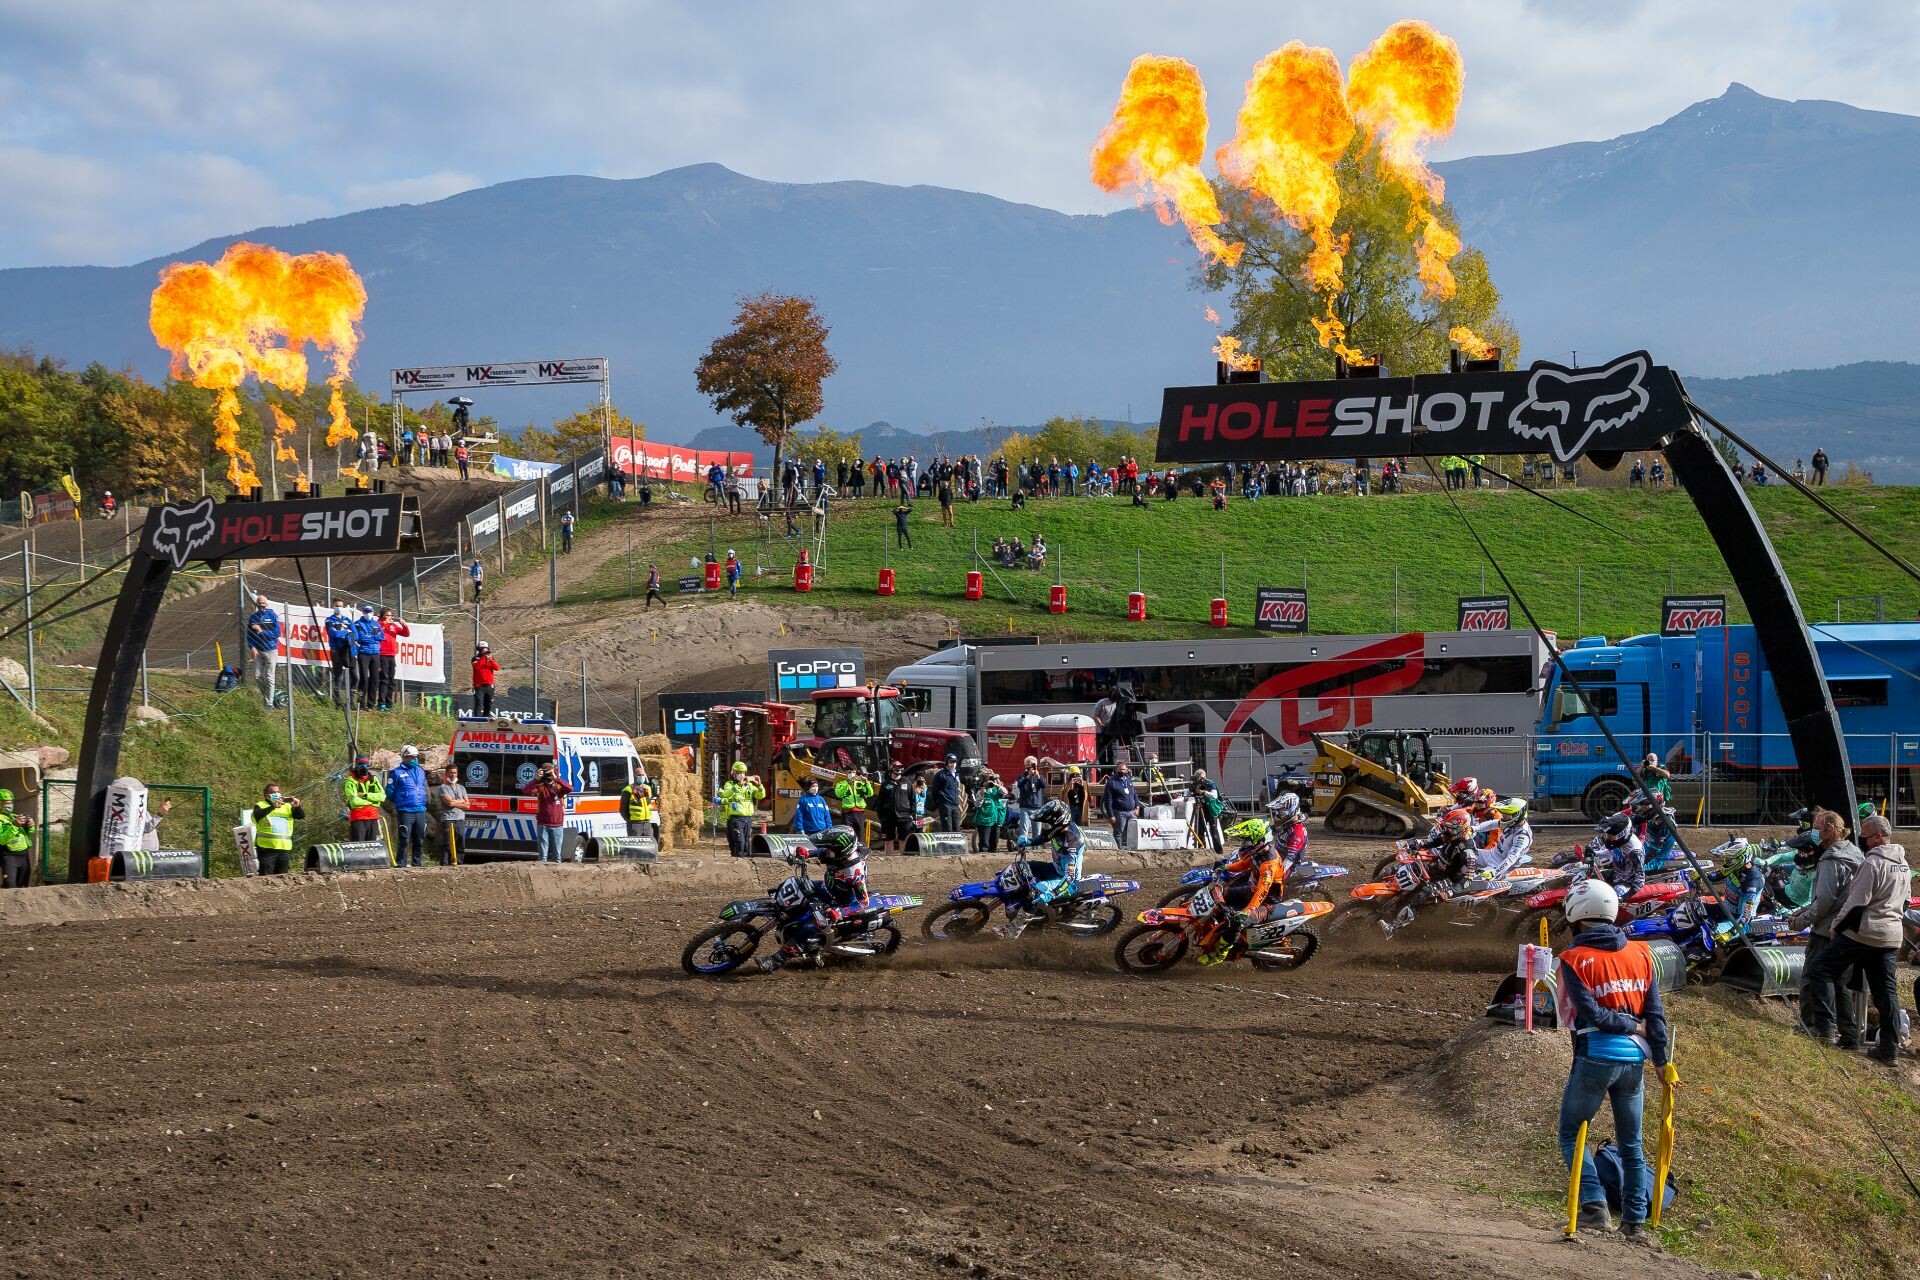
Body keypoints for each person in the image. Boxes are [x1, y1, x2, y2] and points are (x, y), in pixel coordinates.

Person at [1555, 879, 1673, 1239]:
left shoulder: (1573, 959)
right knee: (1631, 1144)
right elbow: (1656, 1015)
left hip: (1595, 1055)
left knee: (1571, 1134)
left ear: (1577, 915)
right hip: (1634, 1063)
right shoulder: (1641, 954)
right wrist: (1662, 1061)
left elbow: (1591, 1014)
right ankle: (1635, 1223)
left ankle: (1593, 1206)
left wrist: (1626, 1023)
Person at [1801, 815, 1908, 1063]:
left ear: (1879, 837)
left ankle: (1825, 1028)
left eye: (1865, 837)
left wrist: (1837, 928)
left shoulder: (1872, 863)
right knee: (1886, 994)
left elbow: (1855, 902)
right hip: (1891, 936)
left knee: (1820, 969)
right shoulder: (1902, 863)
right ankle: (1889, 1050)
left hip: (1865, 932)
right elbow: (1904, 900)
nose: (1862, 841)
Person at [1793, 808, 1865, 1048]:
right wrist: (1805, 910)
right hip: (1849, 929)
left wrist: (1802, 921)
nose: (1813, 833)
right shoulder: (1855, 853)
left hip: (1826, 929)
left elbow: (1825, 899)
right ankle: (1850, 1035)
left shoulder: (1831, 859)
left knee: (1815, 976)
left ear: (1831, 830)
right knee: (1839, 982)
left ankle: (1819, 1027)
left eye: (1816, 828)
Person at [996, 799, 1085, 938]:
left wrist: (1052, 893)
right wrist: (1028, 842)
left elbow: (1070, 877)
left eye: (1048, 823)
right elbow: (1044, 837)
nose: (1046, 826)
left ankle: (1012, 932)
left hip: (1066, 881)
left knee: (1034, 894)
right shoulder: (1060, 828)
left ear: (1058, 822)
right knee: (1022, 868)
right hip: (1055, 869)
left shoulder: (1070, 844)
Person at [521, 761, 574, 864]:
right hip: (543, 824)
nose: (548, 775)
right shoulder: (540, 787)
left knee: (557, 856)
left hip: (557, 824)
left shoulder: (558, 787)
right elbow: (526, 790)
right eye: (547, 773)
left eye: (550, 772)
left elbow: (569, 788)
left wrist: (555, 777)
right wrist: (536, 779)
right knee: (542, 857)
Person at [388, 745, 430, 868]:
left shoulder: (421, 771)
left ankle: (417, 864)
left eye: (416, 757)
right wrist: (402, 801)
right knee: (404, 838)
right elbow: (390, 792)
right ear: (405, 757)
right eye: (412, 757)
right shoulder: (396, 773)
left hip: (420, 809)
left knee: (419, 839)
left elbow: (424, 788)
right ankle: (401, 863)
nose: (415, 759)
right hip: (405, 810)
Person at [248, 783, 304, 876]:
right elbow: (258, 815)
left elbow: (300, 816)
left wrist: (297, 806)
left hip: (284, 848)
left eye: (278, 792)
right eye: (273, 792)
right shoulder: (260, 805)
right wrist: (272, 807)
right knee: (266, 878)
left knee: (282, 878)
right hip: (266, 849)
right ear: (266, 795)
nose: (277, 794)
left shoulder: (287, 806)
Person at [1474, 798, 1535, 878]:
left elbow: (1511, 858)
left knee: (1475, 879)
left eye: (1506, 815)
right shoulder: (1511, 822)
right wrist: (1472, 829)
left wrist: (1494, 873)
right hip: (1491, 854)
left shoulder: (1522, 836)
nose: (1503, 817)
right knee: (1465, 854)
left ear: (1516, 815)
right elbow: (1492, 824)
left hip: (1499, 865)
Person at [716, 761, 764, 858]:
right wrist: (738, 785)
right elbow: (725, 794)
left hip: (748, 818)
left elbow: (761, 795)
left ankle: (743, 863)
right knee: (739, 842)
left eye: (743, 772)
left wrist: (759, 785)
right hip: (736, 819)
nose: (741, 775)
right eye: (738, 772)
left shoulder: (749, 786)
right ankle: (738, 862)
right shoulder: (730, 784)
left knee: (746, 843)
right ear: (733, 773)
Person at [1593, 811, 1647, 897]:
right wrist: (1594, 853)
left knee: (1612, 896)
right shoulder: (1621, 842)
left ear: (1621, 835)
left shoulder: (1635, 852)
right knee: (1592, 880)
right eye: (1607, 835)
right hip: (1616, 875)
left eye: (1610, 836)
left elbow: (1640, 881)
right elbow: (1610, 852)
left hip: (1626, 884)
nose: (1608, 838)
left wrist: (1624, 897)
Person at [244, 594, 280, 706]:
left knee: (269, 677)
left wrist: (261, 631)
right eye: (259, 603)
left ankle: (269, 703)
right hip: (258, 651)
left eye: (263, 603)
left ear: (267, 604)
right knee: (258, 676)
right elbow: (249, 635)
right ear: (256, 604)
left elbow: (277, 633)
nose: (261, 604)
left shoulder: (272, 615)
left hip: (271, 650)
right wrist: (252, 647)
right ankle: (269, 696)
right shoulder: (253, 618)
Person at [343, 756, 386, 844]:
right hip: (358, 818)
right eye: (363, 766)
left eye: (367, 766)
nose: (365, 768)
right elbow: (354, 802)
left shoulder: (373, 779)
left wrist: (365, 796)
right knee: (358, 848)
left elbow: (382, 797)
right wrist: (373, 801)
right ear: (357, 767)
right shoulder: (350, 781)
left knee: (371, 848)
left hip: (373, 817)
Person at [0, 789, 36, 889]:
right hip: (9, 857)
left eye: (11, 802)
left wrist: (31, 826)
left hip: (24, 856)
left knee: (23, 888)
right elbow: (1, 840)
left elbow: (30, 833)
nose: (10, 805)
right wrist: (14, 825)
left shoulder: (14, 816)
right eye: (6, 803)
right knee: (10, 888)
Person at [376, 607, 410, 711]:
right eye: (388, 615)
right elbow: (379, 630)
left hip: (391, 655)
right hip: (382, 654)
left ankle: (389, 703)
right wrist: (384, 622)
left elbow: (406, 634)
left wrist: (404, 625)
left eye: (391, 615)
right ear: (383, 616)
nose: (391, 617)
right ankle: (381, 703)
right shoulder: (379, 624)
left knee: (391, 680)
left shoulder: (393, 626)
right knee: (384, 679)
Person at [352, 604, 384, 711]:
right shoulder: (358, 623)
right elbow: (361, 637)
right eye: (366, 611)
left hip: (375, 653)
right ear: (363, 612)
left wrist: (371, 637)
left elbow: (382, 636)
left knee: (375, 679)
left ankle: (371, 704)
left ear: (373, 613)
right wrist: (373, 638)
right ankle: (361, 704)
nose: (368, 613)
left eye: (370, 612)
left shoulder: (376, 624)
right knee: (364, 678)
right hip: (364, 653)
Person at [324, 601, 356, 706]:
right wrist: (347, 632)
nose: (339, 608)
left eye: (341, 606)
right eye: (337, 606)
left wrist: (348, 634)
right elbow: (334, 633)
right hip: (336, 650)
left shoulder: (348, 620)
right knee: (338, 677)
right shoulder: (329, 620)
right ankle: (338, 702)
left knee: (355, 676)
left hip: (348, 650)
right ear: (333, 607)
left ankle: (351, 701)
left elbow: (356, 635)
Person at [436, 769, 469, 866]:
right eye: (450, 772)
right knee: (447, 843)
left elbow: (468, 805)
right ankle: (445, 865)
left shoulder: (461, 788)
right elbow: (449, 803)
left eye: (454, 772)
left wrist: (455, 802)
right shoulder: (443, 787)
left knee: (460, 841)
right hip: (448, 818)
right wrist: (461, 800)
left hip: (460, 818)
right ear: (446, 774)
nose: (453, 775)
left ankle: (459, 864)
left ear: (457, 773)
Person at [1011, 756, 1047, 842]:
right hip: (1025, 807)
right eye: (1028, 765)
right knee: (1024, 830)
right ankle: (1022, 847)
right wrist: (1028, 776)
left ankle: (1036, 849)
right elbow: (1019, 785)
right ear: (1025, 766)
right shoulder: (1022, 776)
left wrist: (1037, 776)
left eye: (1033, 765)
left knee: (1037, 832)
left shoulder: (1039, 776)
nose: (1031, 766)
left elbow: (1044, 786)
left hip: (1037, 808)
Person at [1103, 761, 1139, 847]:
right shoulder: (1111, 782)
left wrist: (1137, 807)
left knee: (1133, 831)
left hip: (1131, 812)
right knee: (1119, 832)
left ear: (1127, 770)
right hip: (1119, 812)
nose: (1122, 771)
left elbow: (1134, 794)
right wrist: (1111, 815)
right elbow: (1108, 800)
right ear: (1116, 770)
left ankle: (1131, 848)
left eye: (1124, 769)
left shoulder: (1129, 780)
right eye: (1120, 769)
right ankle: (1119, 850)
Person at [833, 767, 875, 838]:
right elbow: (839, 794)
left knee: (859, 834)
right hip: (847, 812)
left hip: (859, 812)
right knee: (847, 835)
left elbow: (870, 793)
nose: (852, 774)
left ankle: (859, 848)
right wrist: (848, 783)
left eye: (854, 772)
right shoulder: (841, 783)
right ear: (845, 772)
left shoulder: (860, 783)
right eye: (849, 772)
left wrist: (866, 782)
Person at [1192, 768, 1226, 857]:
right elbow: (1194, 792)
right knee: (1200, 829)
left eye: (1198, 777)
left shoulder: (1210, 783)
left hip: (1211, 808)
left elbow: (1214, 795)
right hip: (1201, 807)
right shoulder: (1198, 784)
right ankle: (1201, 850)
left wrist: (1204, 792)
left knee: (1213, 830)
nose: (1198, 779)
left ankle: (1219, 851)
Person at [970, 771, 1007, 853]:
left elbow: (1005, 792)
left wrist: (996, 785)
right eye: (987, 781)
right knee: (984, 845)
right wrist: (982, 795)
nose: (989, 783)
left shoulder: (995, 791)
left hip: (995, 821)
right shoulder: (981, 791)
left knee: (994, 845)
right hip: (984, 822)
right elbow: (977, 805)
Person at [928, 757, 964, 832]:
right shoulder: (940, 775)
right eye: (951, 762)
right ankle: (948, 843)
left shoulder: (956, 774)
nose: (953, 764)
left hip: (955, 804)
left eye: (954, 762)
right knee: (948, 828)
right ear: (946, 762)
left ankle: (956, 843)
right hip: (945, 804)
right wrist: (936, 803)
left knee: (956, 828)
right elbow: (935, 790)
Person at [620, 770, 657, 841]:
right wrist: (629, 820)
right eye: (639, 775)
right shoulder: (628, 790)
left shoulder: (648, 788)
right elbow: (622, 809)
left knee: (647, 847)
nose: (641, 777)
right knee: (635, 847)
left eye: (643, 775)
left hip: (647, 823)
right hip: (635, 823)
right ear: (635, 776)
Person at [471, 641, 499, 716]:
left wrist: (490, 659)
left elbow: (496, 668)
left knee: (489, 703)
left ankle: (486, 719)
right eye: (483, 649)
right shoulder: (475, 658)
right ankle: (477, 720)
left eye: (486, 649)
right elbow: (477, 667)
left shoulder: (491, 658)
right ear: (479, 649)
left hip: (489, 685)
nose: (485, 650)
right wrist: (483, 657)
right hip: (479, 685)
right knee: (478, 702)